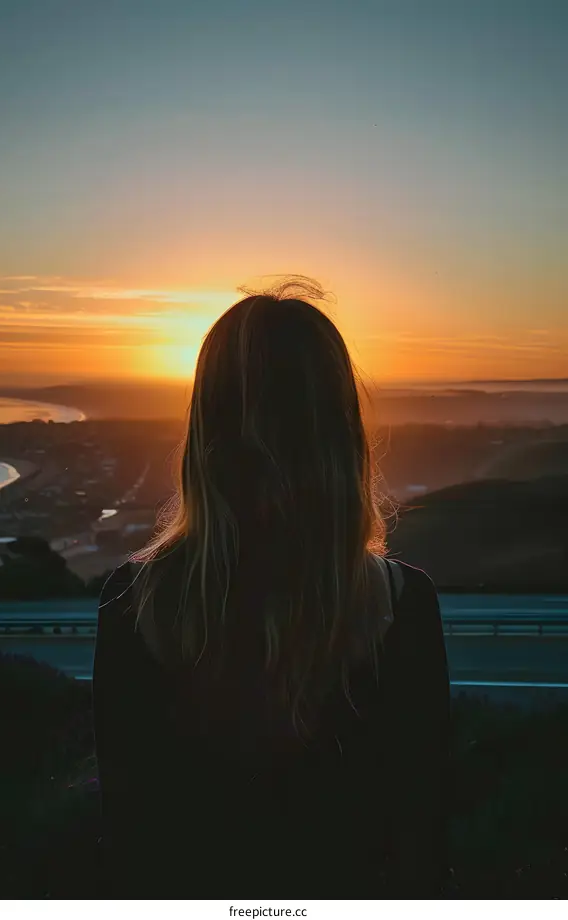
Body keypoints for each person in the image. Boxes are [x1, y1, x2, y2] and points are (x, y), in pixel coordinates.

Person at [93, 277, 451, 898]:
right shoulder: (403, 609)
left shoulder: (133, 606)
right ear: (342, 434)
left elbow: (133, 850)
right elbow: (422, 850)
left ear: (205, 433)